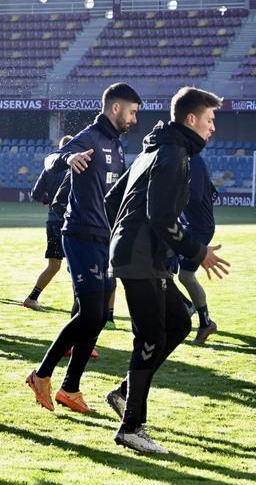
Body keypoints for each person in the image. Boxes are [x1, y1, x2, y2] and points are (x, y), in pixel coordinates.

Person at [103, 86, 229, 454]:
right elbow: (160, 216)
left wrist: (125, 240)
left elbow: (114, 202)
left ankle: (124, 393)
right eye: (209, 120)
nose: (213, 128)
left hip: (143, 256)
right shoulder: (173, 154)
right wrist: (197, 251)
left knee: (178, 322)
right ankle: (131, 428)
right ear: (191, 119)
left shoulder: (156, 147)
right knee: (150, 338)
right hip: (141, 258)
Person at [26, 83, 140, 414]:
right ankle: (42, 374)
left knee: (100, 315)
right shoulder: (89, 137)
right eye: (132, 112)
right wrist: (69, 157)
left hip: (103, 238)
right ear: (115, 108)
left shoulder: (117, 146)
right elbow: (50, 161)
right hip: (79, 235)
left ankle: (70, 389)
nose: (134, 118)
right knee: (89, 313)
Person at [23, 135, 72, 311]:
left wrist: (48, 200)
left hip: (52, 221)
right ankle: (82, 304)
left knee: (54, 265)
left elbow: (35, 193)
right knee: (76, 264)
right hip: (69, 222)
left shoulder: (50, 168)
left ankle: (32, 298)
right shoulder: (76, 166)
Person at [178, 149, 219, 345]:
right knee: (159, 267)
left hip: (200, 229)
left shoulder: (194, 160)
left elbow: (193, 196)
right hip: (186, 227)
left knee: (185, 275)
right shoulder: (185, 160)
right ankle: (186, 305)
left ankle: (204, 322)